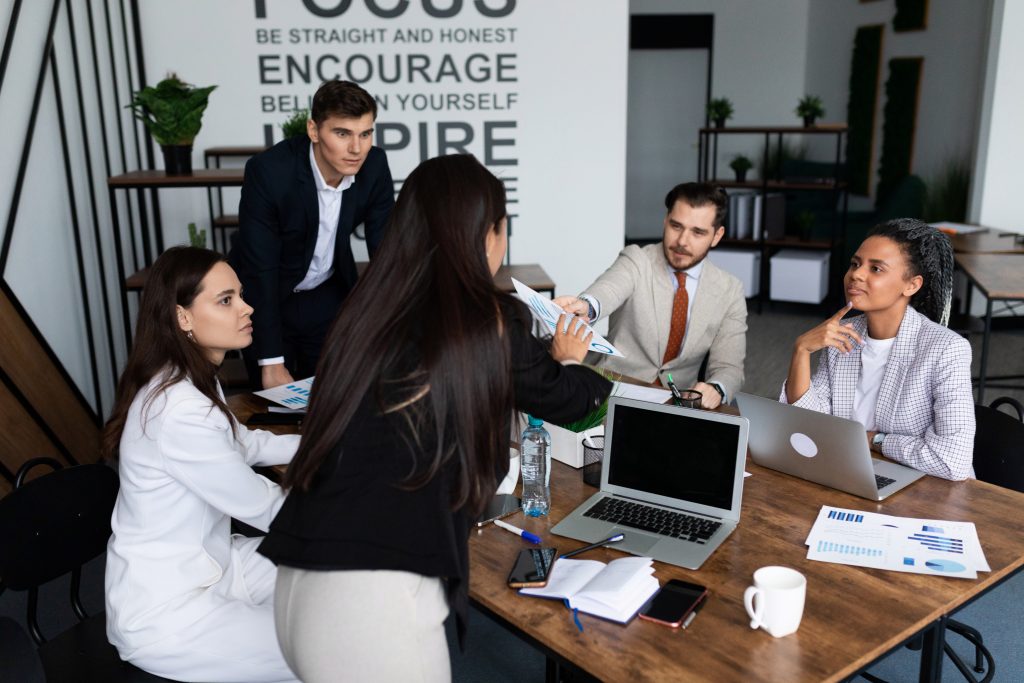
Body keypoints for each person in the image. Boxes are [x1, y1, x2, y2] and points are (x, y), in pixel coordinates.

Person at [258, 154, 612, 682]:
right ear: (489, 233)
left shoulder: (367, 309)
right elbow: (575, 399)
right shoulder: (485, 320)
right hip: (370, 602)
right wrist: (567, 359)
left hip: (296, 581)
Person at [103, 246, 299, 682]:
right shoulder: (179, 410)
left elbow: (241, 444)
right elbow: (264, 507)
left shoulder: (190, 377)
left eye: (241, 295)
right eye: (226, 300)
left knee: (333, 572)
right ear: (183, 318)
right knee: (322, 647)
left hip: (216, 564)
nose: (247, 308)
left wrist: (329, 442)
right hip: (170, 610)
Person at [229, 79, 395, 389]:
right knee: (275, 407)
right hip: (269, 296)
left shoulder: (374, 166)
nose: (356, 148)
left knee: (337, 399)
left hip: (326, 293)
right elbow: (259, 270)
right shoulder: (270, 172)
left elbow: (388, 252)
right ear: (314, 130)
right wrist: (271, 360)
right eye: (342, 133)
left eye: (365, 133)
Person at [781, 218, 974, 481]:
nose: (857, 274)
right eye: (855, 263)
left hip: (923, 488)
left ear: (912, 285)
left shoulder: (947, 350)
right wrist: (801, 351)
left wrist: (876, 440)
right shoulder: (841, 333)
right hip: (850, 471)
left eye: (876, 269)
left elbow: (953, 460)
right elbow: (809, 426)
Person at [554, 182, 746, 408]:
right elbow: (609, 289)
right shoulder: (637, 260)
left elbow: (730, 368)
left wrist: (716, 388)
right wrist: (587, 306)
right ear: (665, 221)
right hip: (611, 392)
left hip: (675, 405)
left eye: (698, 232)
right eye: (676, 226)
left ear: (716, 235)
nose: (682, 241)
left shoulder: (730, 290)